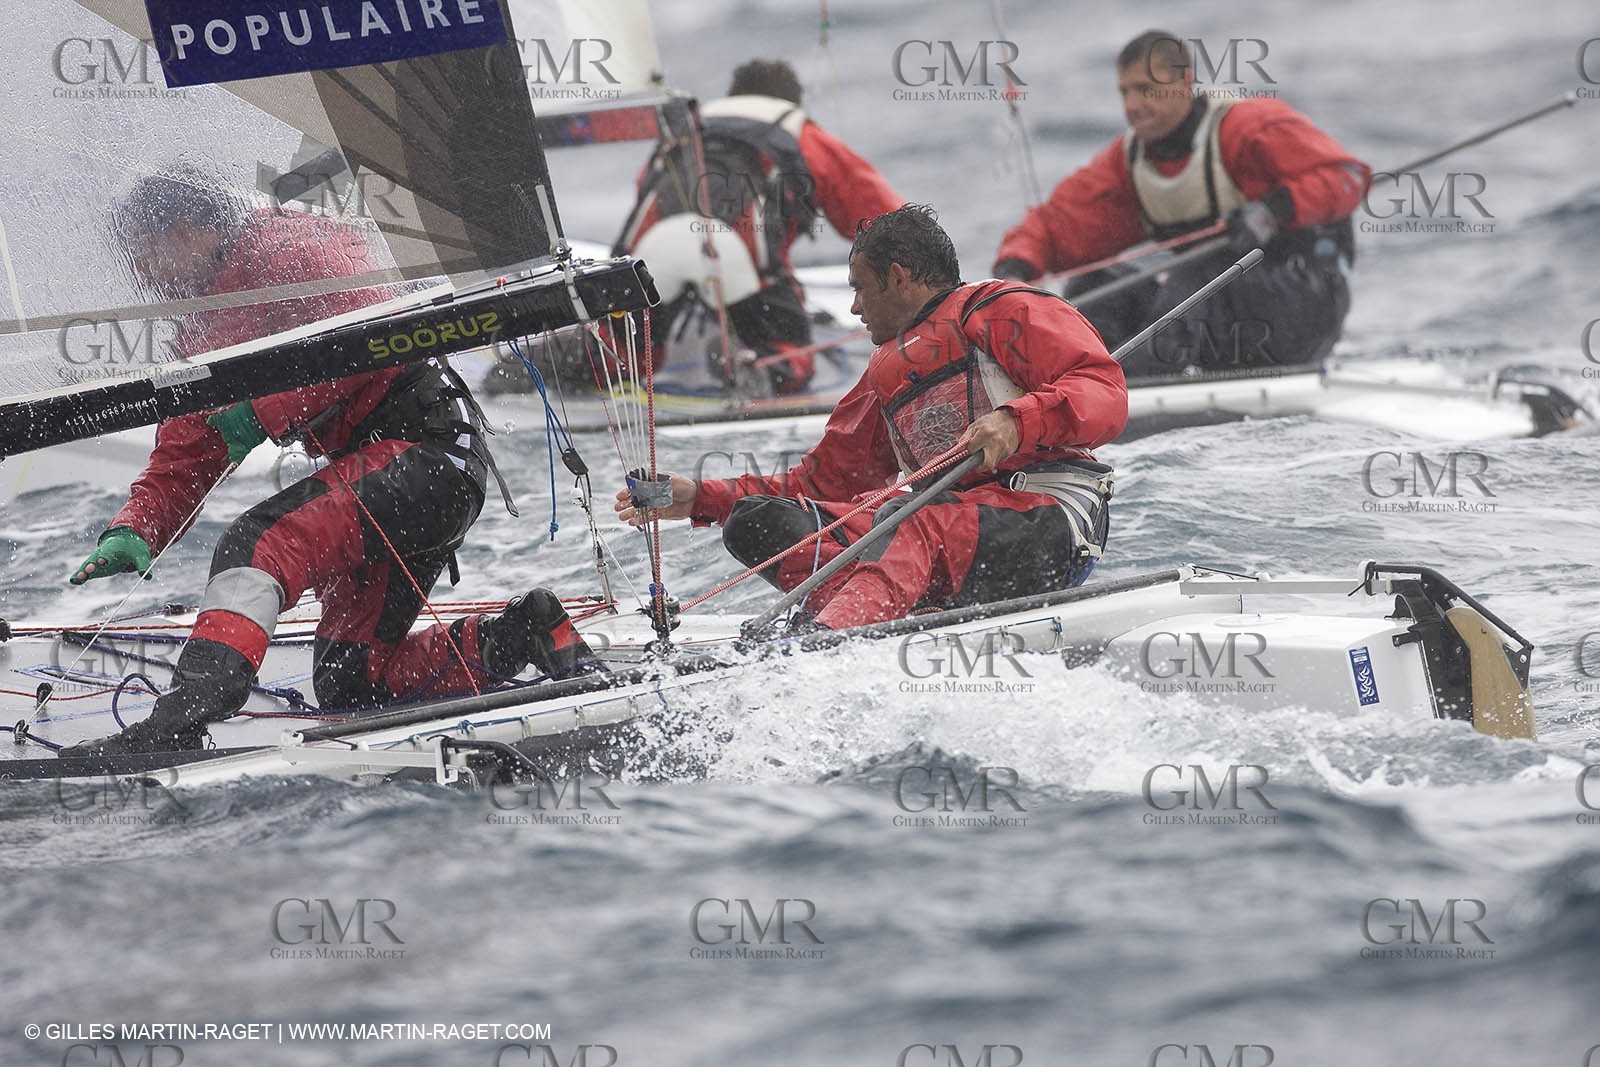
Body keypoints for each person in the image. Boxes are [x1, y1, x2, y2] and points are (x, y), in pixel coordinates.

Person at [63, 169, 595, 758]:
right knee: (352, 684)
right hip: (391, 479)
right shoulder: (202, 322)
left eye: (145, 251)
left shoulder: (289, 247)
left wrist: (260, 412)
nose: (142, 272)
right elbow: (190, 448)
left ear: (187, 232)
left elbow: (367, 327)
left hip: (428, 454)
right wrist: (137, 528)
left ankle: (185, 718)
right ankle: (527, 628)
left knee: (257, 543)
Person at [614, 204, 1126, 630]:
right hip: (948, 528)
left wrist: (1016, 420)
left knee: (909, 520)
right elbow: (818, 481)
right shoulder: (884, 374)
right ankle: (877, 619)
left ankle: (833, 639)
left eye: (860, 288)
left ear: (898, 279)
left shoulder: (1004, 311)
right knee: (757, 523)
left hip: (1050, 520)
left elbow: (1103, 391)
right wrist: (695, 498)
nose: (855, 308)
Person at [992, 31, 1370, 379]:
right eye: (1124, 92)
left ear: (1184, 83)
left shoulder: (1247, 127)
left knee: (1194, 281)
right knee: (1098, 288)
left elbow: (1347, 177)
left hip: (1303, 306)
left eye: (1145, 89)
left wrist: (1274, 210)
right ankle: (1075, 383)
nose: (1132, 105)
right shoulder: (1129, 165)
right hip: (1213, 316)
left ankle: (1117, 391)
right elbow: (1056, 226)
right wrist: (1014, 272)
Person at [613, 58, 904, 395]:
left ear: (734, 94)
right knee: (785, 345)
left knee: (629, 344)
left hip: (649, 251)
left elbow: (644, 190)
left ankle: (589, 355)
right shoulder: (798, 132)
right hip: (736, 255)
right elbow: (889, 223)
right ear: (791, 101)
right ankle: (753, 367)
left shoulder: (683, 131)